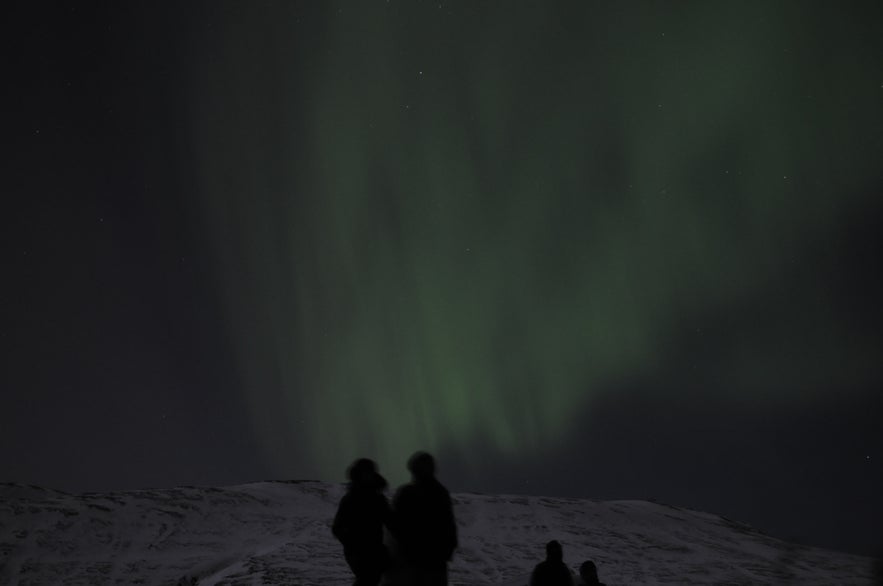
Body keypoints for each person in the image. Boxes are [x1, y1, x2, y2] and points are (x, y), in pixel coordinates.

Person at [389, 451, 458, 586]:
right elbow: (449, 526)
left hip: (414, 559)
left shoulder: (407, 492)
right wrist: (447, 550)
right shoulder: (440, 492)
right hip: (433, 560)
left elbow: (395, 526)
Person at [332, 458, 391, 586]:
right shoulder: (350, 499)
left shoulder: (378, 499)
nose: (367, 476)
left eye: (369, 473)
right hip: (358, 553)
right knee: (368, 579)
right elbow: (337, 528)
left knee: (370, 579)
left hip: (374, 552)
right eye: (364, 473)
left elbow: (392, 522)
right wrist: (352, 544)